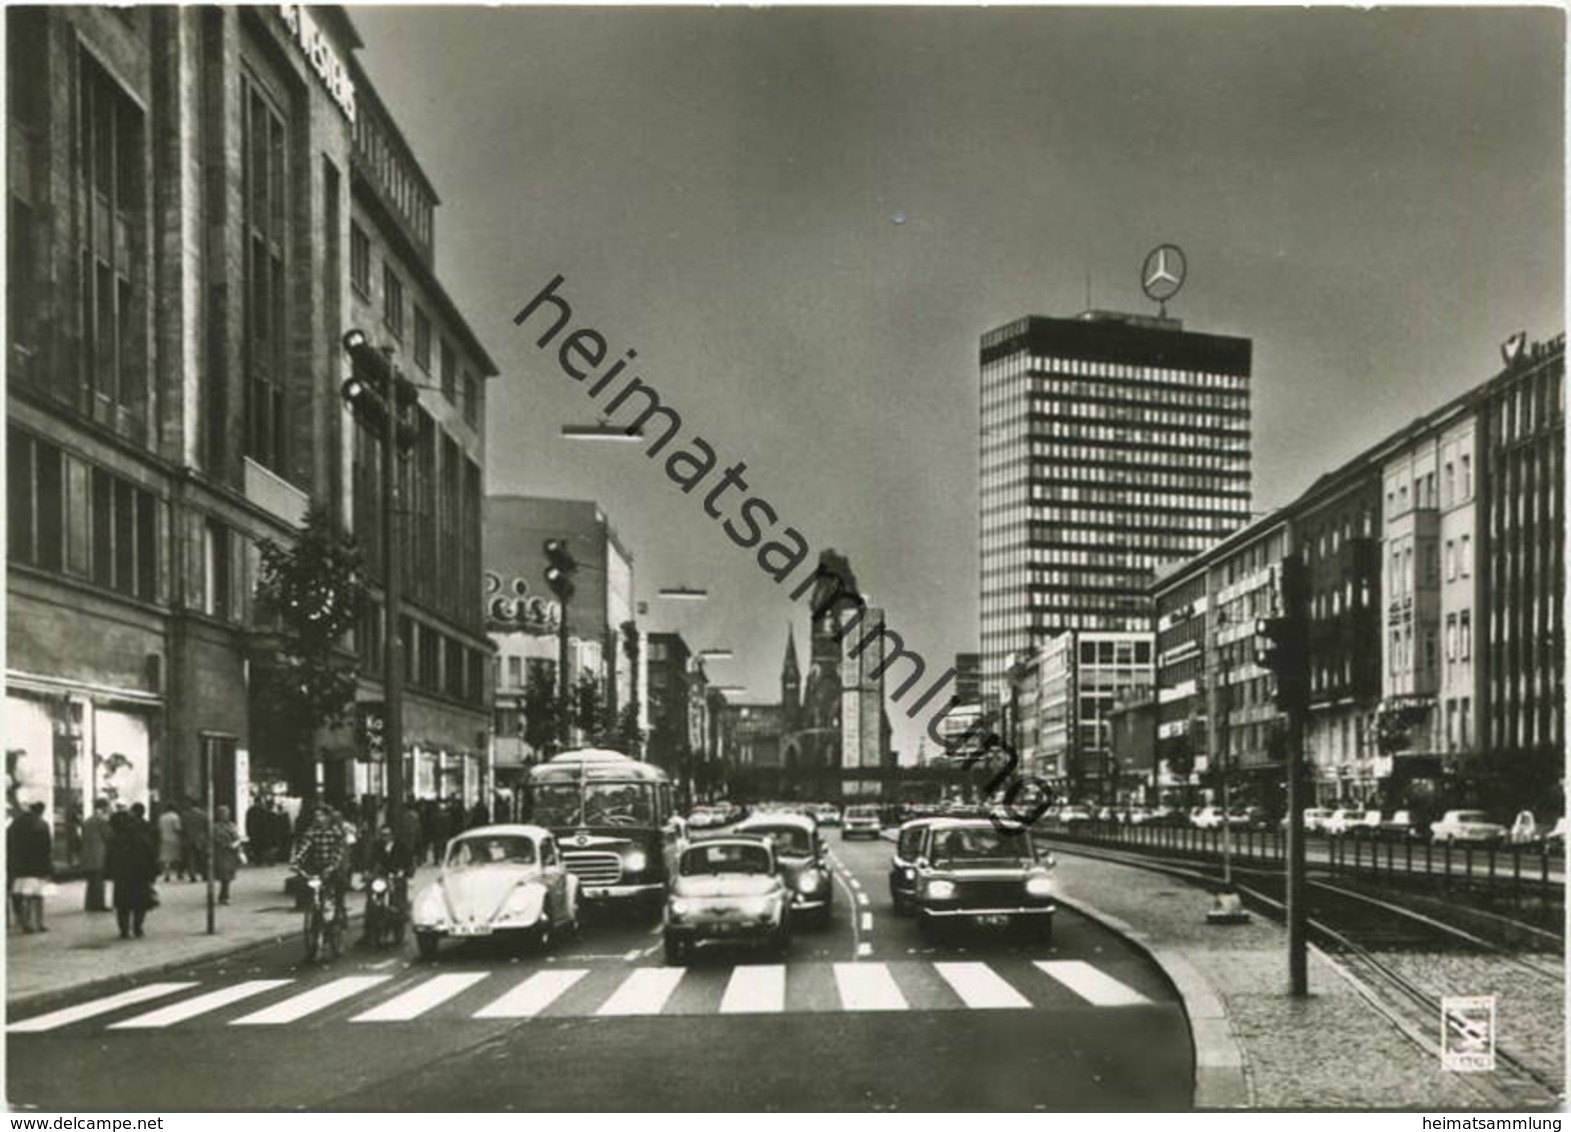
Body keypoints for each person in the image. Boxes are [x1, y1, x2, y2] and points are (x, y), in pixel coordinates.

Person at [106, 804, 159, 939]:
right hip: (140, 876)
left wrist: (109, 873)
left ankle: (124, 930)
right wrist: (152, 874)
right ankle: (137, 928)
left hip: (122, 877)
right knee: (139, 905)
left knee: (122, 905)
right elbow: (151, 856)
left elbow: (109, 859)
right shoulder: (142, 839)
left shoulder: (114, 840)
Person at [291, 805, 349, 922]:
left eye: (321, 815)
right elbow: (304, 847)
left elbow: (339, 851)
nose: (319, 818)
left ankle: (339, 911)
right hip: (317, 866)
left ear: (328, 817)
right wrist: (296, 862)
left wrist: (333, 866)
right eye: (316, 815)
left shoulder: (336, 831)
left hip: (333, 866)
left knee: (338, 885)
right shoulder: (312, 832)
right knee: (310, 885)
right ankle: (314, 910)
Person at [360, 823, 415, 944]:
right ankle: (368, 930)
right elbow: (370, 859)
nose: (385, 837)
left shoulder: (401, 846)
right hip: (381, 876)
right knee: (371, 898)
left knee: (398, 896)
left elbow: (408, 861)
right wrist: (367, 872)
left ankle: (399, 918)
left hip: (396, 877)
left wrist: (403, 872)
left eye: (387, 835)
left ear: (392, 836)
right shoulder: (377, 846)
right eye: (383, 835)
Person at [8, 803, 54, 933]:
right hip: (37, 867)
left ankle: (25, 923)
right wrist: (48, 868)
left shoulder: (15, 824)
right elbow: (47, 849)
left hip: (20, 867)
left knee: (24, 896)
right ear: (41, 811)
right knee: (38, 897)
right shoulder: (42, 824)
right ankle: (39, 923)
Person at [81, 799, 112, 912]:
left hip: (87, 854)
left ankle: (89, 904)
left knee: (91, 882)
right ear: (103, 807)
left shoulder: (87, 821)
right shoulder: (102, 821)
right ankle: (99, 904)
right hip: (99, 854)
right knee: (99, 881)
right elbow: (108, 836)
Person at [211, 805, 242, 904]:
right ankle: (224, 896)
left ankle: (224, 895)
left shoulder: (232, 825)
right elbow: (217, 839)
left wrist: (237, 843)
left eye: (227, 814)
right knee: (224, 875)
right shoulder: (215, 827)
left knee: (228, 875)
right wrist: (229, 844)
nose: (225, 816)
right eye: (223, 814)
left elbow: (237, 837)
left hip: (231, 853)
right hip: (222, 852)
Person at [156, 803, 183, 882]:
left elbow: (159, 828)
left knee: (166, 858)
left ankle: (167, 874)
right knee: (177, 857)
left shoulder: (162, 817)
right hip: (174, 838)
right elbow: (178, 828)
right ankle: (179, 874)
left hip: (164, 838)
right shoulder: (175, 817)